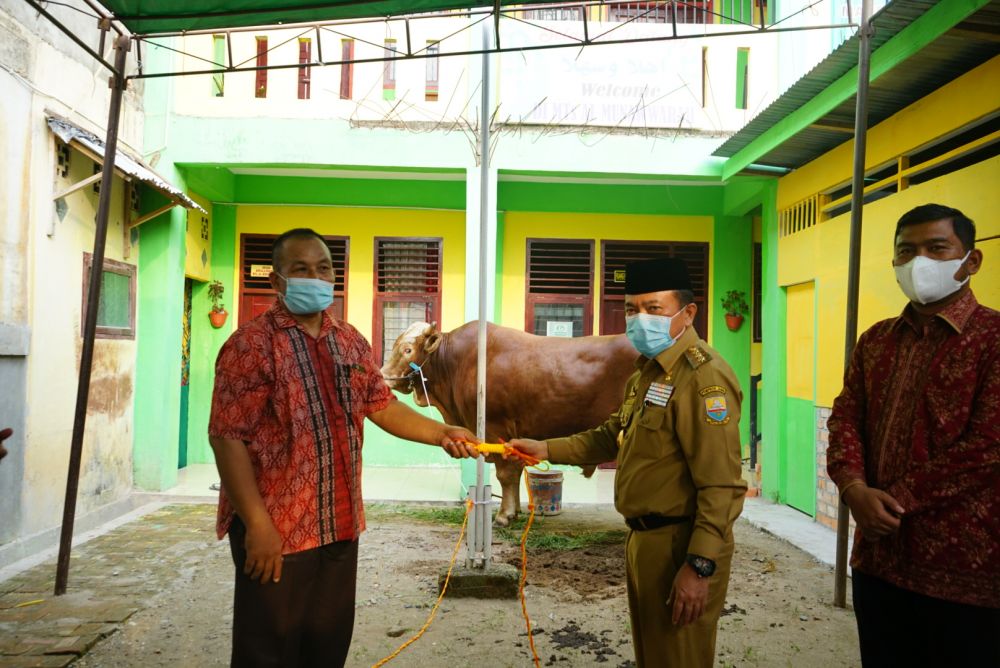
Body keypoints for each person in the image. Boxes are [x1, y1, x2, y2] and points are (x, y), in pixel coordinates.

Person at [208, 228, 479, 668]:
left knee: (327, 645)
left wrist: (443, 433)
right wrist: (257, 524)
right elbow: (226, 436)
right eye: (301, 270)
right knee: (268, 649)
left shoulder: (349, 340)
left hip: (339, 523)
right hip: (278, 531)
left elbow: (381, 404)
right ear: (277, 281)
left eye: (323, 269)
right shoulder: (250, 345)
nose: (315, 278)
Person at [511, 257, 746, 668]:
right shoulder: (647, 375)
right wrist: (545, 449)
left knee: (680, 658)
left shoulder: (704, 380)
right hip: (644, 541)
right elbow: (609, 437)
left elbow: (722, 486)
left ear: (687, 313)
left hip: (681, 543)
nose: (640, 319)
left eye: (654, 308)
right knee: (655, 657)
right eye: (633, 309)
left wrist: (699, 565)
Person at [827, 203, 1000, 666]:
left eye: (936, 248)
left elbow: (988, 448)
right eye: (906, 251)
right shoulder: (877, 340)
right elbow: (845, 419)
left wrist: (896, 499)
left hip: (965, 575)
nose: (918, 261)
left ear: (972, 260)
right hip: (878, 564)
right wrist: (854, 488)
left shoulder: (993, 339)